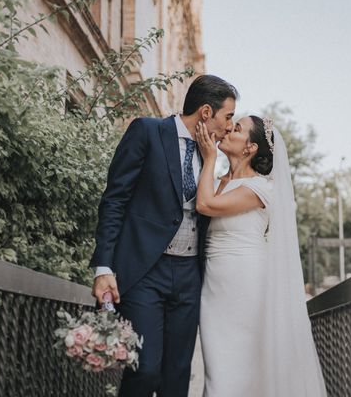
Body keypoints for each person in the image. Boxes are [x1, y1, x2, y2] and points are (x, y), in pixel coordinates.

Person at [89, 75, 238, 397]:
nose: (230, 126)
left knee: (177, 376)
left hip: (189, 276)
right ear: (206, 112)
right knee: (144, 370)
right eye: (228, 117)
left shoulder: (209, 156)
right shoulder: (147, 131)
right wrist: (103, 267)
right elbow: (115, 199)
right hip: (145, 271)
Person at [195, 116, 327, 397]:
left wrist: (208, 158)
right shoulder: (218, 182)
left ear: (251, 148)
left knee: (240, 370)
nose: (229, 128)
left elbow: (205, 205)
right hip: (213, 286)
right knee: (217, 369)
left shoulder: (260, 188)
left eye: (238, 128)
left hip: (245, 285)